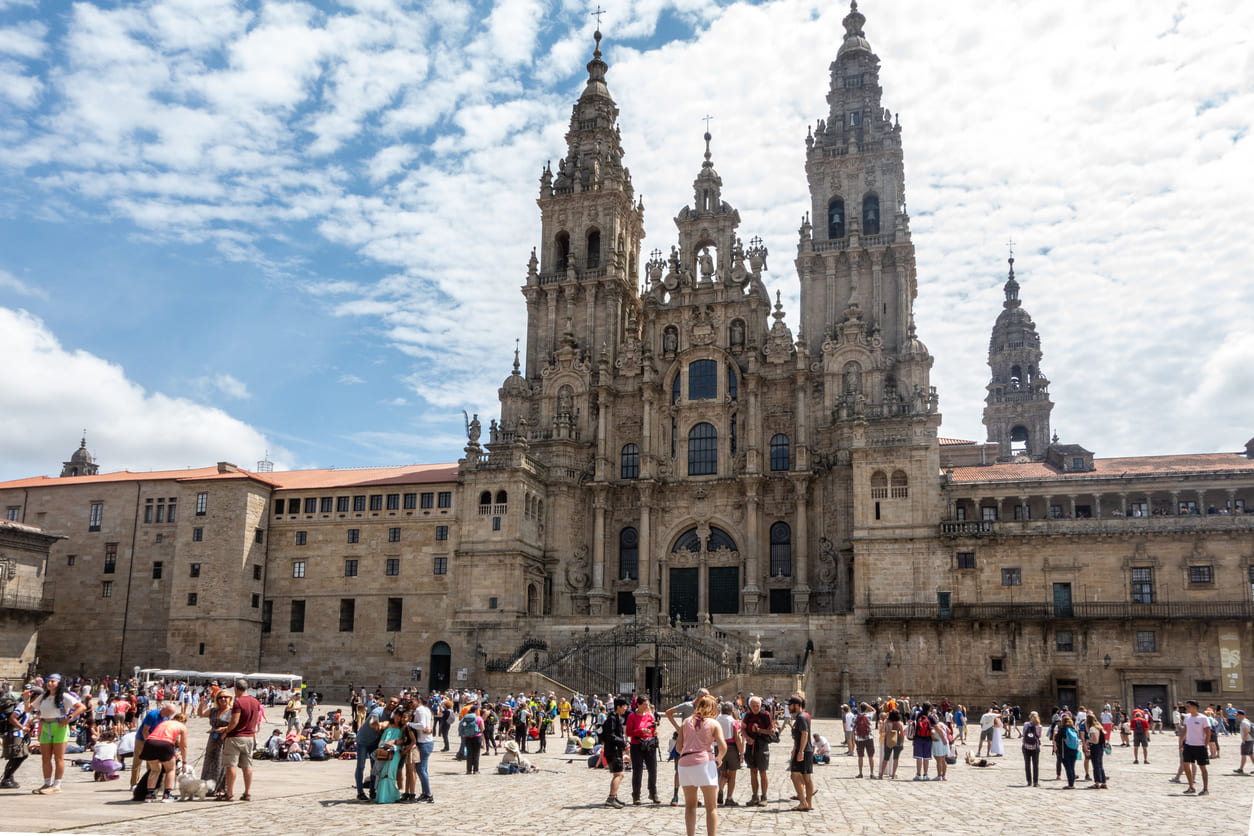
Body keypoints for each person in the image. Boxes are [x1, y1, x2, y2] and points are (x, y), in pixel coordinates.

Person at [678, 694, 727, 836]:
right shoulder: (713, 723)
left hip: (685, 764)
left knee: (690, 806)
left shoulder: (686, 721)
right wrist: (719, 758)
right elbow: (723, 746)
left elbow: (679, 748)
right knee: (711, 807)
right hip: (704, 763)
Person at [30, 674, 86, 795]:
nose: (49, 683)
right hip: (46, 727)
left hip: (59, 727)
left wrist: (69, 718)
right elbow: (28, 709)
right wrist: (25, 699)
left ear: (59, 683)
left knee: (58, 757)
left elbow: (81, 707)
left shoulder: (64, 696)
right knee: (45, 757)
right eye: (48, 681)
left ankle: (57, 785)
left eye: (52, 681)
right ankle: (47, 783)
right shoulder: (43, 696)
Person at [666, 688, 709, 806]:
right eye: (706, 697)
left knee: (695, 769)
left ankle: (693, 797)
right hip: (684, 741)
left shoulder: (704, 709)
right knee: (679, 769)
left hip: (697, 743)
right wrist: (678, 728)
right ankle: (675, 796)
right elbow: (668, 712)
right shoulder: (687, 705)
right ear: (700, 697)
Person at [220, 678, 261, 802]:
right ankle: (247, 793)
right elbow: (256, 720)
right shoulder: (255, 702)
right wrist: (252, 732)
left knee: (231, 765)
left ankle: (230, 794)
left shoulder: (238, 703)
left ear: (236, 689)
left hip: (235, 737)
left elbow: (234, 721)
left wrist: (226, 731)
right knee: (247, 766)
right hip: (249, 737)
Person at [141, 711, 188, 802]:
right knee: (170, 769)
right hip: (165, 743)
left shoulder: (164, 723)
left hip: (150, 742)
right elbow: (183, 746)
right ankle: (167, 794)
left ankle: (149, 795)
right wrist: (184, 762)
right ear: (183, 722)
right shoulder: (182, 727)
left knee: (155, 770)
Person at [355, 696, 391, 800]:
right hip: (363, 740)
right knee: (360, 766)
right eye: (391, 702)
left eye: (395, 703)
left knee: (374, 767)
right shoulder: (378, 710)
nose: (392, 705)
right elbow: (372, 721)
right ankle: (360, 792)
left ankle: (372, 791)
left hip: (375, 742)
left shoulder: (392, 716)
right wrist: (375, 724)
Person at [198, 689, 233, 797]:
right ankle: (207, 787)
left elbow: (237, 724)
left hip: (225, 739)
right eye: (220, 697)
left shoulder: (232, 711)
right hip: (213, 738)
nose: (223, 699)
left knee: (221, 763)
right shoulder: (214, 710)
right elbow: (201, 714)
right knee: (209, 762)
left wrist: (225, 728)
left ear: (230, 699)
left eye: (225, 697)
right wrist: (202, 703)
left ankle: (220, 788)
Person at [626, 696, 660, 804]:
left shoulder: (650, 716)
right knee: (638, 771)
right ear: (638, 705)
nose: (647, 707)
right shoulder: (632, 716)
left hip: (649, 744)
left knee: (653, 770)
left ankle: (653, 793)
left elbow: (653, 728)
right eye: (645, 705)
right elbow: (628, 732)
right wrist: (641, 731)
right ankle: (636, 795)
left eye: (648, 704)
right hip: (637, 745)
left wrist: (655, 732)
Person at [741, 695, 774, 805]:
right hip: (751, 746)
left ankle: (764, 797)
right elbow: (743, 729)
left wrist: (760, 730)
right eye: (754, 706)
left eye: (758, 706)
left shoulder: (765, 715)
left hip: (762, 745)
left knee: (762, 772)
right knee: (753, 771)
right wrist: (747, 738)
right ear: (750, 706)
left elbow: (772, 731)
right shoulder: (748, 715)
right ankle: (754, 796)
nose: (756, 708)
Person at [786, 694, 814, 811]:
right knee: (807, 778)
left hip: (803, 750)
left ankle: (803, 802)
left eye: (790, 705)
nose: (788, 708)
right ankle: (809, 803)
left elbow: (805, 734)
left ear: (797, 705)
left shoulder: (801, 717)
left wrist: (800, 751)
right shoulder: (803, 716)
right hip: (805, 750)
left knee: (794, 776)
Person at [601, 697, 630, 807]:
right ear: (618, 706)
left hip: (616, 750)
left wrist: (625, 743)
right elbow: (611, 736)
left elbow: (619, 735)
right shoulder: (612, 719)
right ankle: (611, 798)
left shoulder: (617, 718)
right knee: (619, 774)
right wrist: (623, 744)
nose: (625, 708)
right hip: (612, 750)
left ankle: (614, 797)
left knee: (617, 773)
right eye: (624, 706)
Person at [715, 701, 743, 805]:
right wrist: (741, 752)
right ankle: (729, 798)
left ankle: (721, 789)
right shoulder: (733, 721)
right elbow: (736, 738)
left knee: (723, 774)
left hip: (719, 747)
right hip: (731, 748)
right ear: (731, 711)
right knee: (732, 774)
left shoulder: (717, 720)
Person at [1180, 700, 1211, 795]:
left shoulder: (1203, 718)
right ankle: (1191, 786)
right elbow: (1185, 730)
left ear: (1194, 707)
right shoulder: (1187, 717)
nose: (1186, 708)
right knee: (1186, 765)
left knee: (1202, 767)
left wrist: (1205, 745)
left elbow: (1208, 733)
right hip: (1189, 745)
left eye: (1188, 706)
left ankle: (1205, 788)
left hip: (1200, 746)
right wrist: (1181, 741)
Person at [409, 696, 436, 803]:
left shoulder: (419, 710)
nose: (410, 703)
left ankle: (428, 794)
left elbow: (422, 726)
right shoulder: (426, 709)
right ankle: (425, 793)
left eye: (412, 701)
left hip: (424, 742)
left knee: (420, 769)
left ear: (418, 701)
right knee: (422, 769)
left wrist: (408, 724)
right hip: (427, 741)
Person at [373, 709, 404, 804]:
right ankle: (382, 796)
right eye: (396, 715)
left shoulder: (403, 727)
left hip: (395, 751)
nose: (397, 718)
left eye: (400, 716)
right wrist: (377, 724)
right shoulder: (388, 724)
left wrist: (394, 742)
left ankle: (392, 795)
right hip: (384, 749)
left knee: (389, 772)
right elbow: (380, 724)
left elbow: (404, 740)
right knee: (382, 771)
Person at [878, 708, 905, 779]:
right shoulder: (900, 723)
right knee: (896, 758)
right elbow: (902, 733)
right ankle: (893, 774)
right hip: (897, 740)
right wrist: (902, 742)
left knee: (886, 758)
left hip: (888, 740)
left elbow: (883, 730)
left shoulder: (886, 722)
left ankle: (881, 774)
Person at [854, 701, 875, 778]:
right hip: (869, 738)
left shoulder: (855, 717)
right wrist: (868, 705)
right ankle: (872, 773)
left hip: (859, 738)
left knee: (860, 756)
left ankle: (860, 773)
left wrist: (854, 739)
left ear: (859, 708)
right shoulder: (869, 715)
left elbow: (853, 728)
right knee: (871, 756)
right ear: (866, 708)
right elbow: (874, 710)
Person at [1021, 710, 1042, 787]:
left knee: (1027, 764)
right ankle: (1035, 782)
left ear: (1030, 716)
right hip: (1035, 747)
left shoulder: (1026, 724)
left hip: (1026, 746)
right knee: (1035, 765)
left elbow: (1024, 734)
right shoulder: (1039, 726)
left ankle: (1029, 781)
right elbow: (1039, 736)